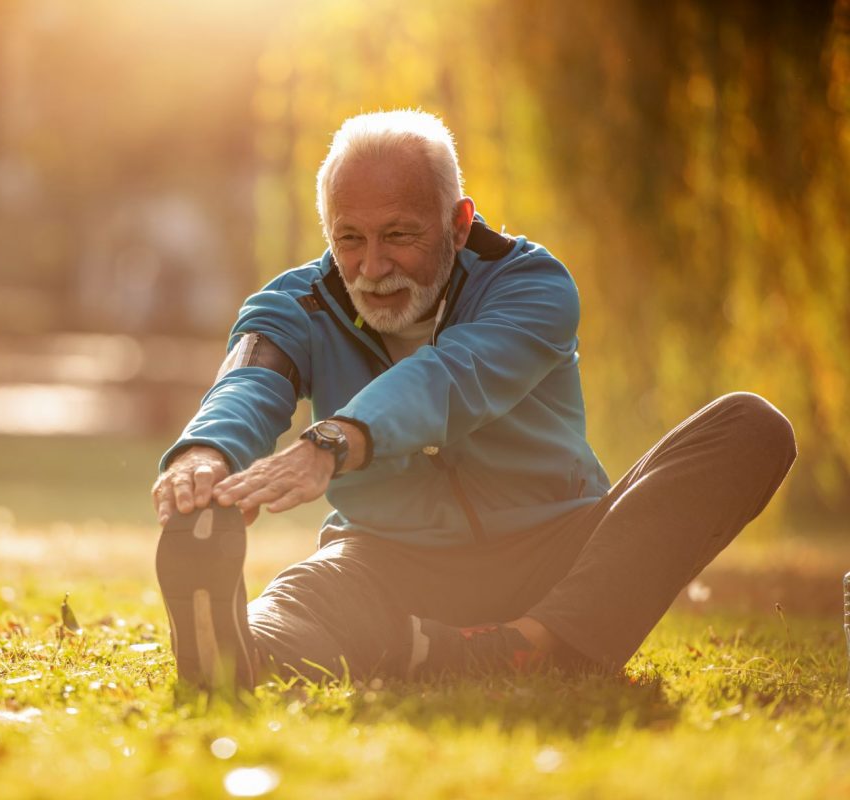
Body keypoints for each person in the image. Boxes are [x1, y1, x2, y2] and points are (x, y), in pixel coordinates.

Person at [151, 110, 797, 691]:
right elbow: (248, 380)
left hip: (555, 553)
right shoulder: (296, 303)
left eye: (398, 235)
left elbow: (451, 380)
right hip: (385, 560)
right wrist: (205, 454)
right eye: (349, 239)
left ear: (458, 224)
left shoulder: (533, 285)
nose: (371, 268)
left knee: (752, 426)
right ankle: (238, 650)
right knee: (302, 602)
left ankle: (536, 646)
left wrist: (335, 440)